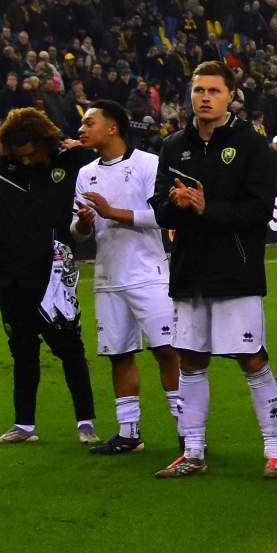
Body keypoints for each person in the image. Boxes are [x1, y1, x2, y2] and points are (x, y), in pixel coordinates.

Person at [151, 61, 277, 478]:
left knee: (250, 357)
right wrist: (173, 205)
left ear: (230, 95)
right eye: (198, 91)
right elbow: (156, 208)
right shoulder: (174, 145)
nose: (205, 97)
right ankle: (193, 452)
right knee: (189, 359)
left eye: (213, 90)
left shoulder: (250, 144)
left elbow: (261, 209)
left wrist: (208, 207)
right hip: (190, 270)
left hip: (237, 270)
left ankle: (274, 452)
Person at [0, 107, 98, 444]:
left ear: (44, 142)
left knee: (69, 348)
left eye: (31, 152)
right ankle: (24, 425)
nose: (26, 160)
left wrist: (73, 145)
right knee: (22, 350)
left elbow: (99, 155)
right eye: (19, 153)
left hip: (53, 276)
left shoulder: (68, 163)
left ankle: (86, 422)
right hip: (10, 275)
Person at [71, 99, 182, 455]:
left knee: (167, 350)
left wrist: (111, 211)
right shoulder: (85, 173)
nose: (81, 130)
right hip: (107, 276)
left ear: (112, 127)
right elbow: (79, 234)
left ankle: (188, 432)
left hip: (148, 274)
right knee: (119, 354)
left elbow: (163, 216)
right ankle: (128, 432)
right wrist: (84, 224)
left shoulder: (149, 164)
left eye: (89, 123)